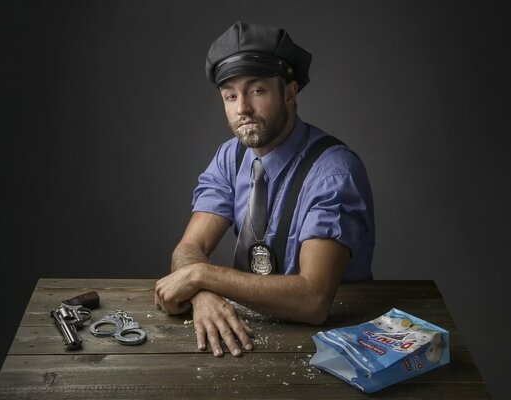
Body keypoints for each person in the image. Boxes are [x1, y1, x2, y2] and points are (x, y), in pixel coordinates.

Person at [155, 21, 375, 358]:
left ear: (289, 92)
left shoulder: (333, 172)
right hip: (246, 336)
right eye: (230, 95)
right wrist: (201, 293)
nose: (242, 108)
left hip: (336, 347)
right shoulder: (230, 156)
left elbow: (314, 299)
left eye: (257, 91)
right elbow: (189, 247)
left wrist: (201, 275)